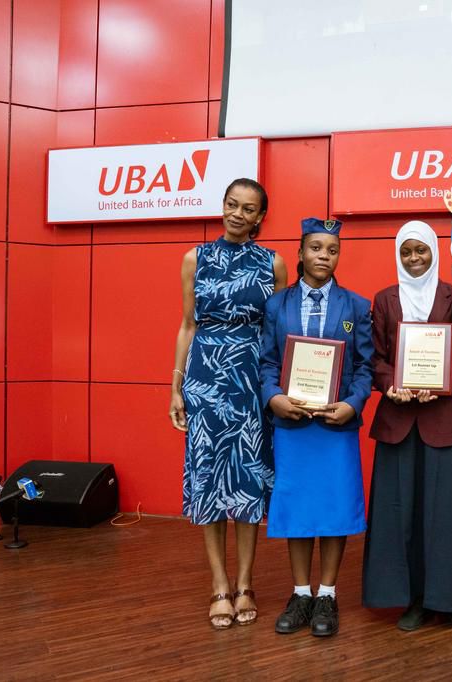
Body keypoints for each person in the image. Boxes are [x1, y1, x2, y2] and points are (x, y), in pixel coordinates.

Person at [169, 178, 288, 630]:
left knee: (247, 482)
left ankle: (245, 582)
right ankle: (218, 583)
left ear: (260, 217)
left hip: (252, 381)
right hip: (205, 381)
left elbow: (281, 331)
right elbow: (186, 325)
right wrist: (176, 387)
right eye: (231, 204)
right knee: (210, 480)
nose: (238, 214)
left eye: (249, 208)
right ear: (222, 206)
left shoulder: (272, 263)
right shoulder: (193, 259)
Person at [362, 220, 452, 631]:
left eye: (421, 250)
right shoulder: (383, 300)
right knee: (400, 516)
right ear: (398, 255)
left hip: (445, 421)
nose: (414, 258)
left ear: (434, 252)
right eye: (406, 252)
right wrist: (390, 384)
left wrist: (443, 383)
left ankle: (451, 600)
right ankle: (411, 599)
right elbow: (375, 360)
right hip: (398, 423)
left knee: (448, 515)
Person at [259, 217, 374, 638]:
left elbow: (365, 368)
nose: (324, 256)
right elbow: (268, 361)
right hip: (291, 424)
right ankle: (300, 592)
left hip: (335, 425)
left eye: (332, 250)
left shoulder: (357, 306)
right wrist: (274, 397)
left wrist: (352, 403)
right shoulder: (277, 305)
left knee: (334, 508)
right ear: (301, 252)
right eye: (316, 248)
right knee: (299, 509)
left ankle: (327, 593)